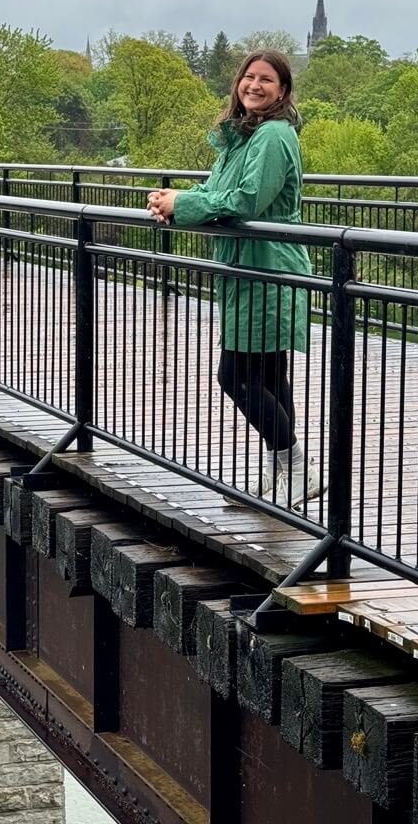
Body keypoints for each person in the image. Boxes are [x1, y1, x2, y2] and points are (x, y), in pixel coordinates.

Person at [146, 49, 323, 510]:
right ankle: (279, 472)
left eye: (266, 80)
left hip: (267, 269)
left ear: (282, 90)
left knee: (236, 375)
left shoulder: (274, 136)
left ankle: (297, 467)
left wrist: (183, 206)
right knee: (266, 373)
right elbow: (215, 191)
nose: (255, 85)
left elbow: (247, 201)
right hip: (249, 268)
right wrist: (176, 198)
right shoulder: (245, 137)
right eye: (249, 77)